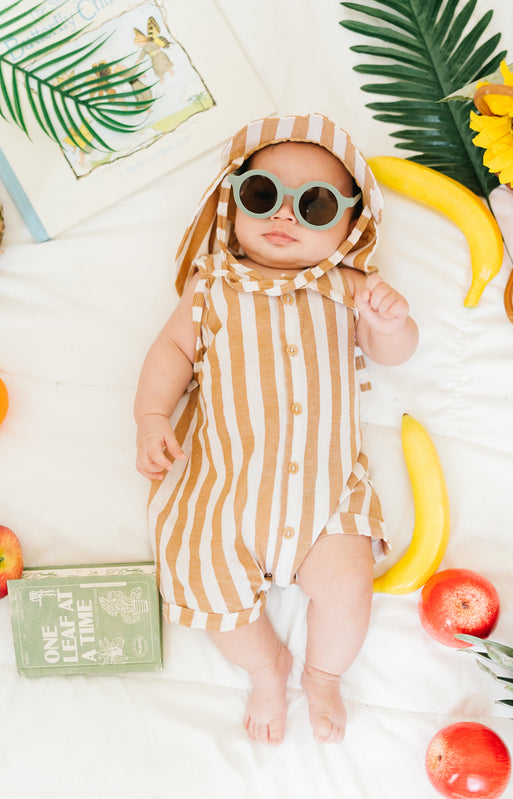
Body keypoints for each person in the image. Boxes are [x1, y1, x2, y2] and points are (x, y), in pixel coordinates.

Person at [134, 113, 418, 745]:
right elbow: (172, 354)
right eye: (263, 196)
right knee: (207, 587)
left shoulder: (349, 289)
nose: (284, 216)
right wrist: (152, 416)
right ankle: (268, 669)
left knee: (348, 588)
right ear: (232, 199)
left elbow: (391, 354)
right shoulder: (211, 288)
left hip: (328, 495)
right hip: (223, 492)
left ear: (351, 225)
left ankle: (322, 676)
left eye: (314, 206)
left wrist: (392, 323)